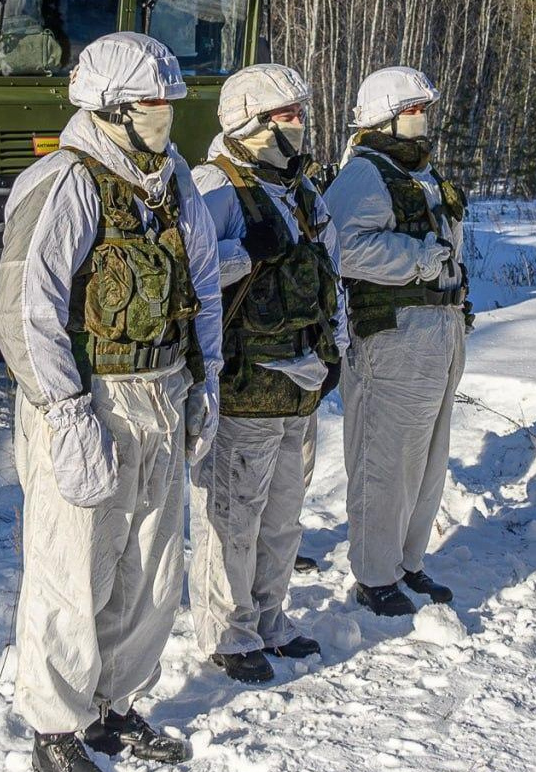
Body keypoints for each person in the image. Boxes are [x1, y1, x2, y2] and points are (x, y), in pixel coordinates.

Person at [0, 32, 222, 769]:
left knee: (150, 569)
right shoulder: (63, 181)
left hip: (162, 389)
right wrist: (66, 414)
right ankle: (55, 728)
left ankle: (113, 705)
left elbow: (204, 287)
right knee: (73, 567)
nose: (168, 116)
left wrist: (204, 379)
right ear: (115, 107)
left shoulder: (172, 179)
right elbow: (23, 313)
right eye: (156, 104)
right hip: (92, 400)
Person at [187, 63, 347, 682]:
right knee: (234, 515)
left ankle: (269, 617)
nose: (301, 126)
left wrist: (335, 343)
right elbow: (188, 270)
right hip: (243, 384)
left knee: (283, 514)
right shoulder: (215, 187)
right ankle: (228, 633)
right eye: (288, 116)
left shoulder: (301, 191)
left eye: (301, 113)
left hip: (299, 382)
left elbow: (329, 269)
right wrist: (240, 253)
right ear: (252, 122)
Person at [325, 65, 469, 616]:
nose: (421, 118)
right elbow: (342, 246)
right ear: (383, 117)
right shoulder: (366, 175)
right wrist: (417, 262)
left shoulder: (422, 172)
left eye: (423, 109)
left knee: (428, 458)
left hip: (440, 329)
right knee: (386, 459)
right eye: (410, 110)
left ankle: (409, 560)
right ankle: (375, 574)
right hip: (393, 334)